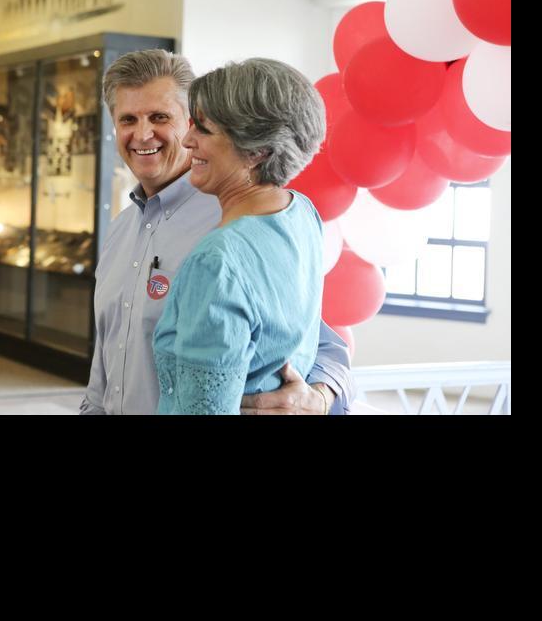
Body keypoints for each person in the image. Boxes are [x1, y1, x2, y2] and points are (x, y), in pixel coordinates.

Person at [79, 50, 353, 415]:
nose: (142, 134)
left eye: (160, 117)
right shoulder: (119, 230)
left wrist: (317, 399)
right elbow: (105, 368)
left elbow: (325, 349)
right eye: (128, 119)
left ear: (189, 120)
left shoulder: (237, 229)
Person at [153, 58, 325, 414]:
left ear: (256, 152)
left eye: (203, 130)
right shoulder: (302, 212)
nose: (187, 140)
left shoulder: (218, 260)